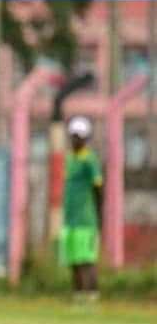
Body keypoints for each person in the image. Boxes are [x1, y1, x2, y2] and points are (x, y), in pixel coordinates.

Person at [60, 116, 103, 301]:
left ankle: (92, 295)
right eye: (73, 136)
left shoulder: (90, 160)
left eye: (79, 136)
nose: (76, 140)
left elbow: (98, 189)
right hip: (70, 218)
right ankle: (78, 295)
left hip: (86, 219)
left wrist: (99, 216)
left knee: (87, 259)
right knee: (73, 260)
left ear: (86, 138)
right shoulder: (69, 158)